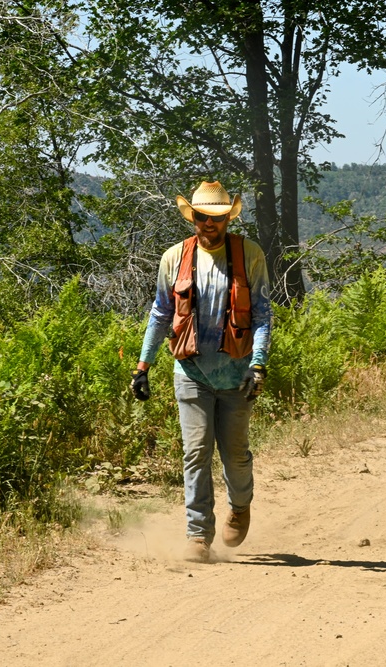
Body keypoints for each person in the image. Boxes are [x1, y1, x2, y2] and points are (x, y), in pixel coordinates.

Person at [130, 180, 272, 563]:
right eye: (202, 217)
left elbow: (261, 314)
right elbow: (160, 313)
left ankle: (240, 508)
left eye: (217, 217)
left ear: (228, 218)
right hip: (190, 371)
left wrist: (258, 364)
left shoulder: (249, 255)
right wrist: (143, 366)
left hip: (237, 374)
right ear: (192, 217)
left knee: (235, 455)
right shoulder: (174, 258)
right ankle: (198, 535)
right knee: (195, 453)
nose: (209, 224)